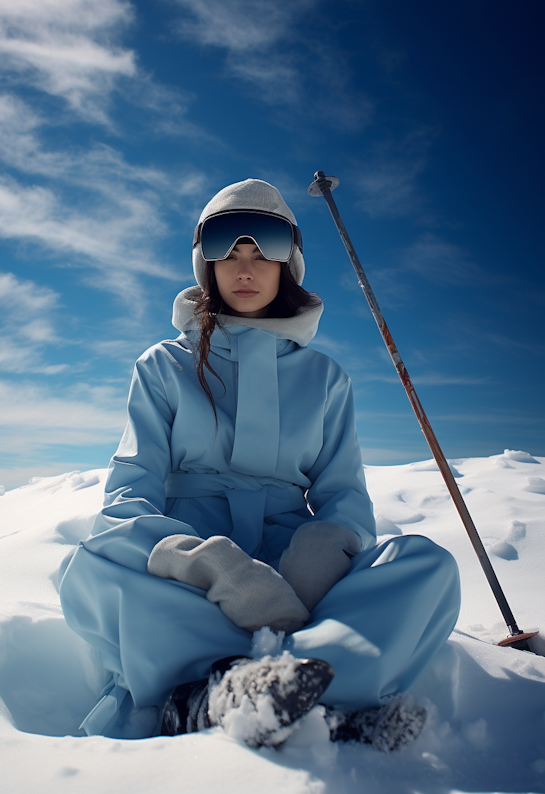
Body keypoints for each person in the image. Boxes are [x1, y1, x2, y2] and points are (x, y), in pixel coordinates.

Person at [59, 179, 461, 748]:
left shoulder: (326, 378)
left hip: (294, 564)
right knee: (89, 568)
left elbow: (344, 494)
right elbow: (130, 494)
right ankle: (211, 690)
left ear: (286, 267)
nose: (245, 271)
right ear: (207, 267)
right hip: (189, 571)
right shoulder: (164, 366)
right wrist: (209, 566)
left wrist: (322, 554)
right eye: (230, 257)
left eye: (262, 256)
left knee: (425, 566)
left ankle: (314, 686)